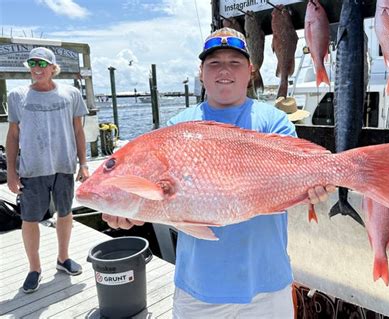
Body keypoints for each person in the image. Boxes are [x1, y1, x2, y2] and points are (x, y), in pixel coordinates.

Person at [103, 28, 334, 318]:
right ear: (201, 72)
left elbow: (287, 184)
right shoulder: (178, 125)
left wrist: (312, 188)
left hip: (268, 285)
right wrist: (130, 214)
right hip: (198, 289)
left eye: (234, 62)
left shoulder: (274, 121)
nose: (224, 70)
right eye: (214, 63)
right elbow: (166, 204)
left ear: (250, 71)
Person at [6, 47, 89, 293]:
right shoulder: (17, 95)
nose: (37, 68)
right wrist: (11, 172)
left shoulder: (71, 94)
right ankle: (34, 268)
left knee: (65, 213)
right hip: (32, 169)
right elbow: (13, 135)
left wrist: (83, 162)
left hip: (64, 166)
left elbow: (78, 131)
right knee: (29, 219)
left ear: (53, 67)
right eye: (33, 63)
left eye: (42, 64)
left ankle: (63, 258)